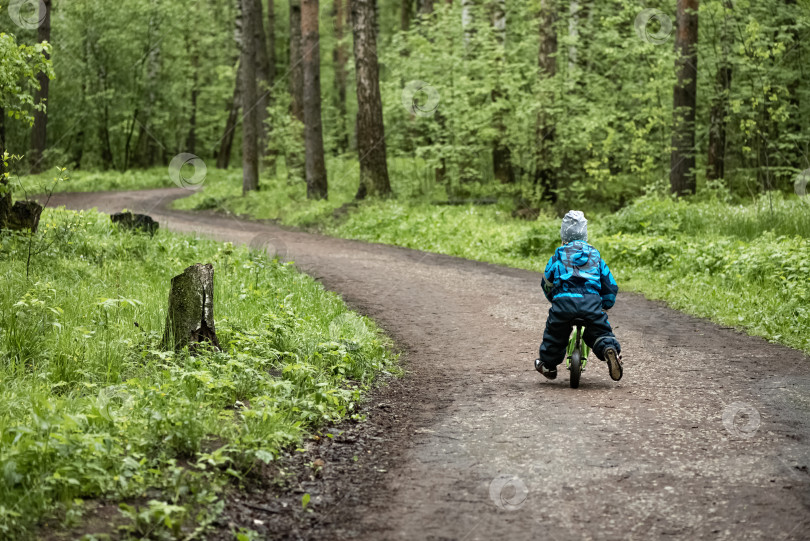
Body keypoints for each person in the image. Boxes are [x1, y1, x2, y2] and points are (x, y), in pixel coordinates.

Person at [534, 210, 623, 381]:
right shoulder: (595, 256)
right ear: (585, 235)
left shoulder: (558, 255)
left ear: (563, 235)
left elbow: (546, 282)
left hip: (564, 303)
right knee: (600, 331)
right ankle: (608, 349)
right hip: (591, 302)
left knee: (555, 334)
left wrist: (554, 298)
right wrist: (606, 304)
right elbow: (610, 285)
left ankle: (549, 365)